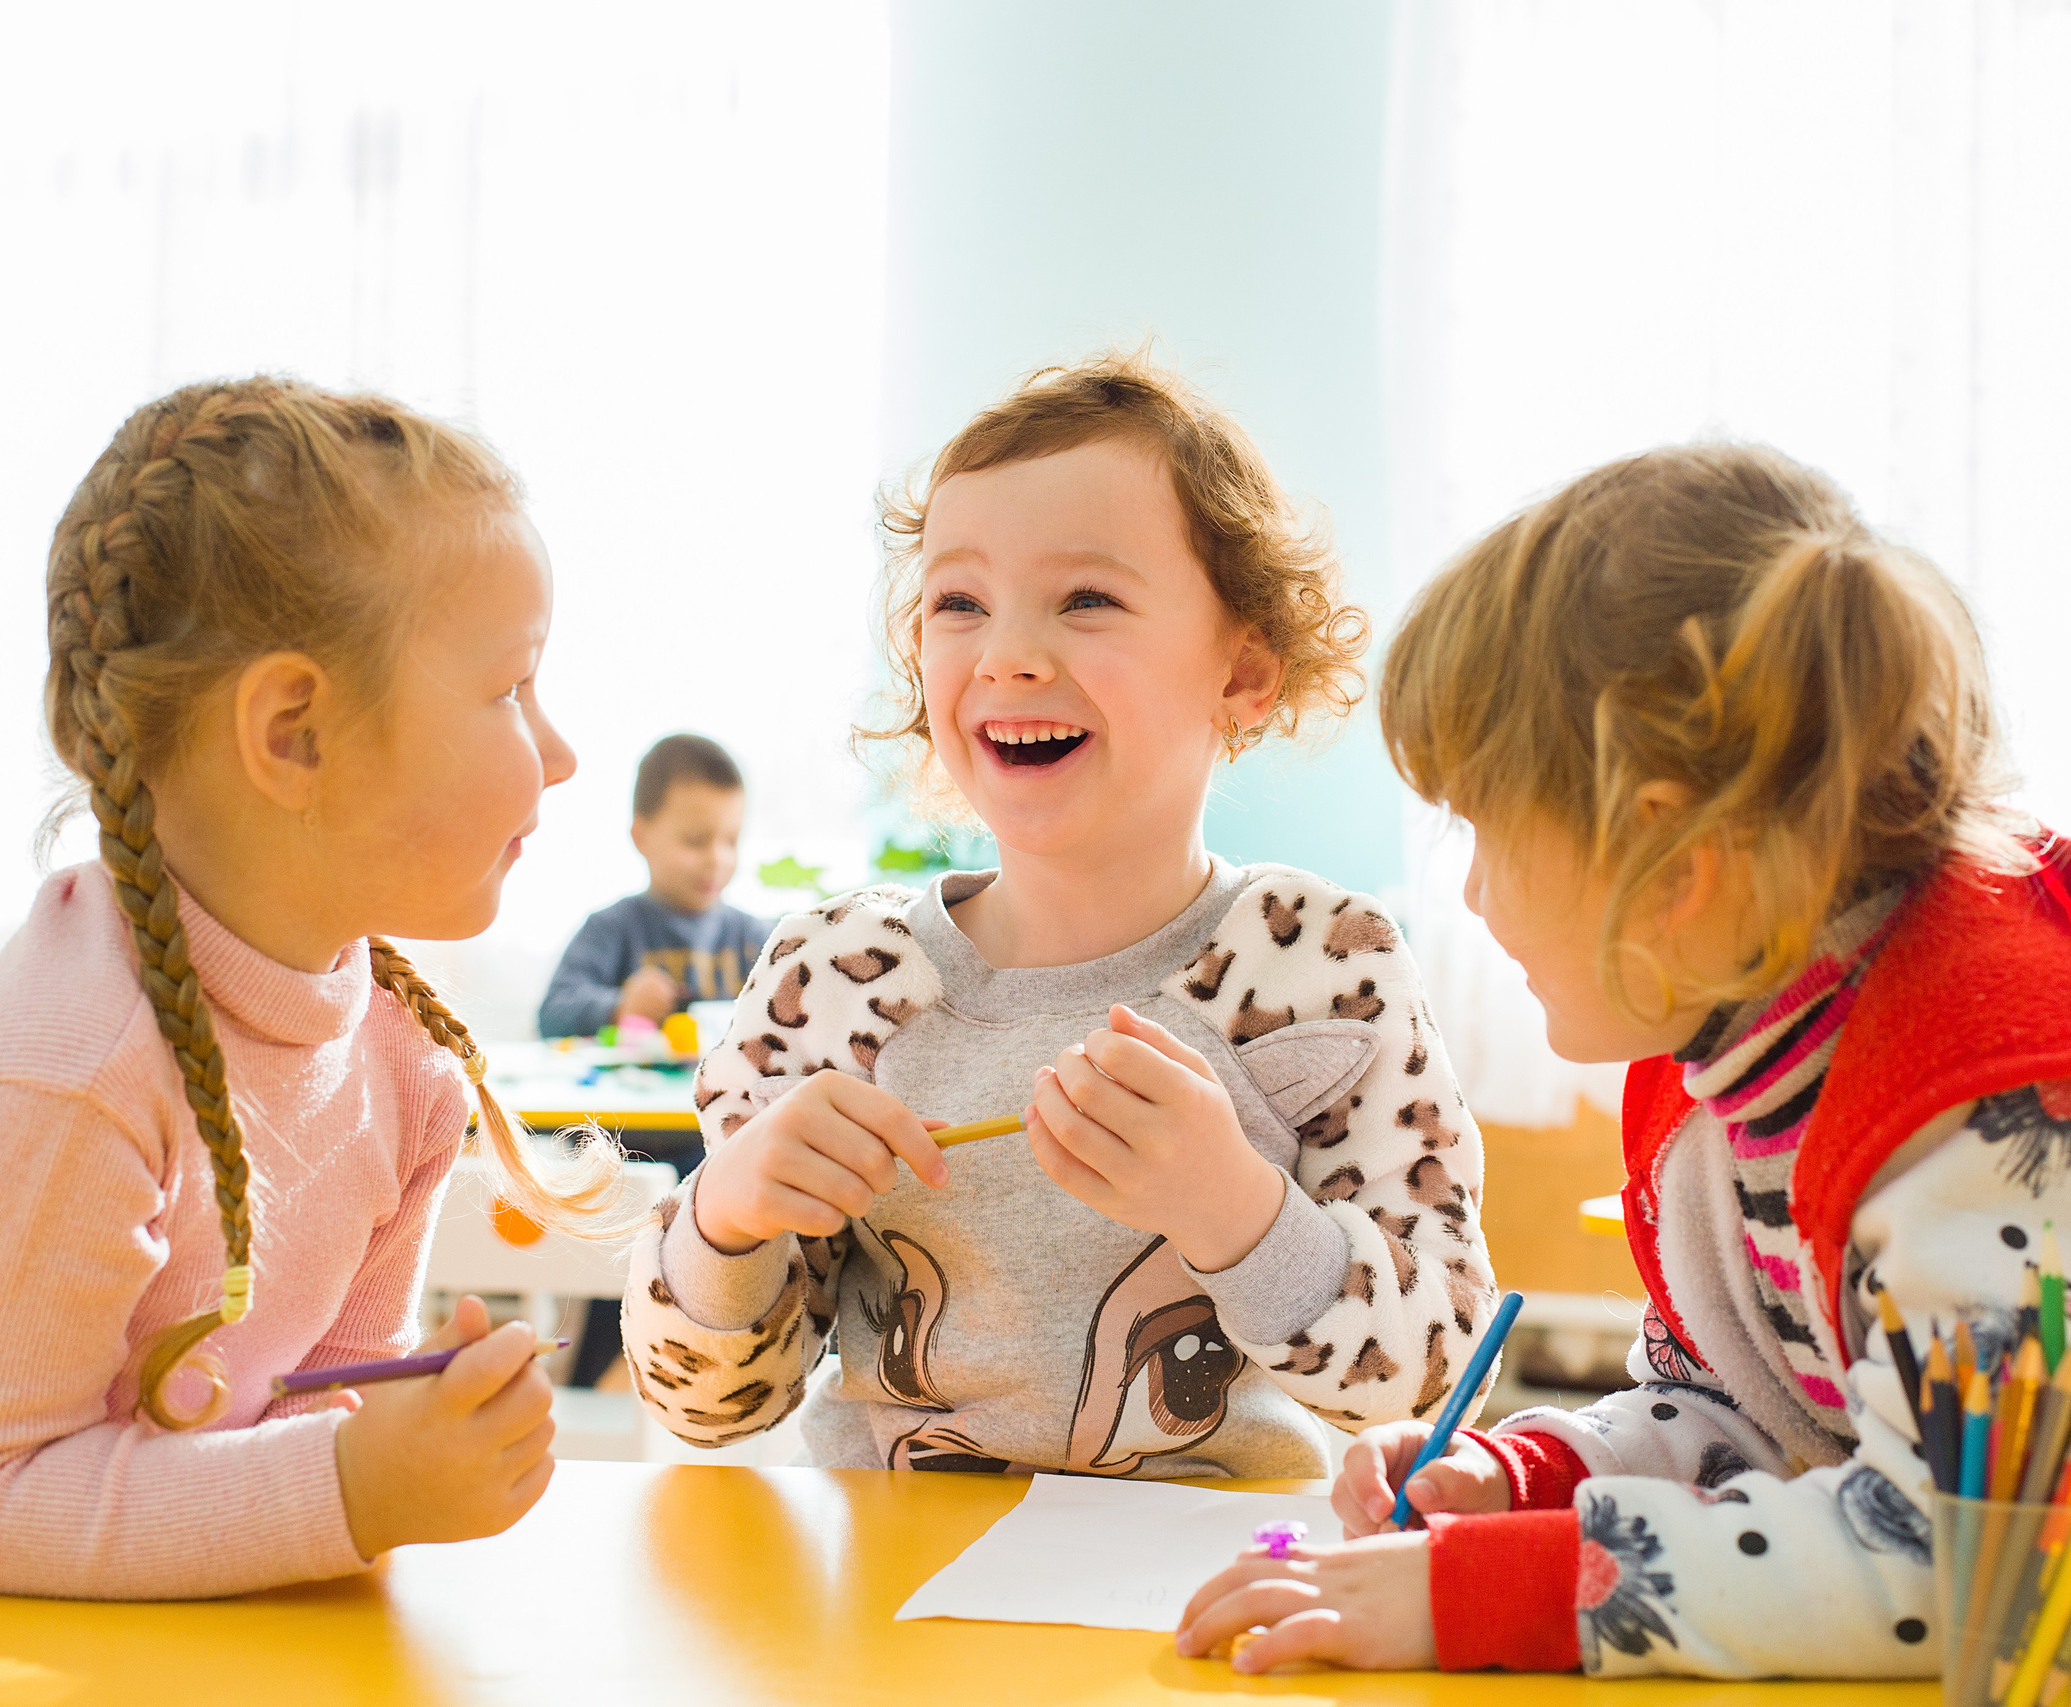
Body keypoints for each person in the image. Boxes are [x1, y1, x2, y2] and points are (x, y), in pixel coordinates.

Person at [1174, 443, 2071, 1674]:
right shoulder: (1722, 1068)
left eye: (1484, 830)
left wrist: (1495, 1593)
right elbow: (1759, 1422)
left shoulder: (2004, 1110)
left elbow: (1945, 1550)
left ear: (1671, 869)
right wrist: (1527, 1472)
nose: (1470, 894)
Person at [0, 378, 624, 1598]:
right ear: (294, 731)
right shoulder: (67, 1066)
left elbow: (319, 1397)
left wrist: (404, 1434)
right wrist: (353, 1488)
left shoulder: (404, 1064)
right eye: (511, 689)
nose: (559, 752)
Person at [621, 352, 1500, 1475]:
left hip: (1200, 1605)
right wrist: (725, 1217)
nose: (1009, 654)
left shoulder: (1322, 968)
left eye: (1085, 599)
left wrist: (1235, 1211)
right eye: (958, 603)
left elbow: (1438, 1377)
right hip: (891, 1612)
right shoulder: (832, 973)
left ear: (1243, 672)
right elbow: (706, 1411)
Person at [536, 733, 769, 1040]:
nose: (717, 859)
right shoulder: (611, 928)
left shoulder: (754, 937)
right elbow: (552, 1015)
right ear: (641, 836)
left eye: (731, 841)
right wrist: (619, 1007)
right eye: (695, 841)